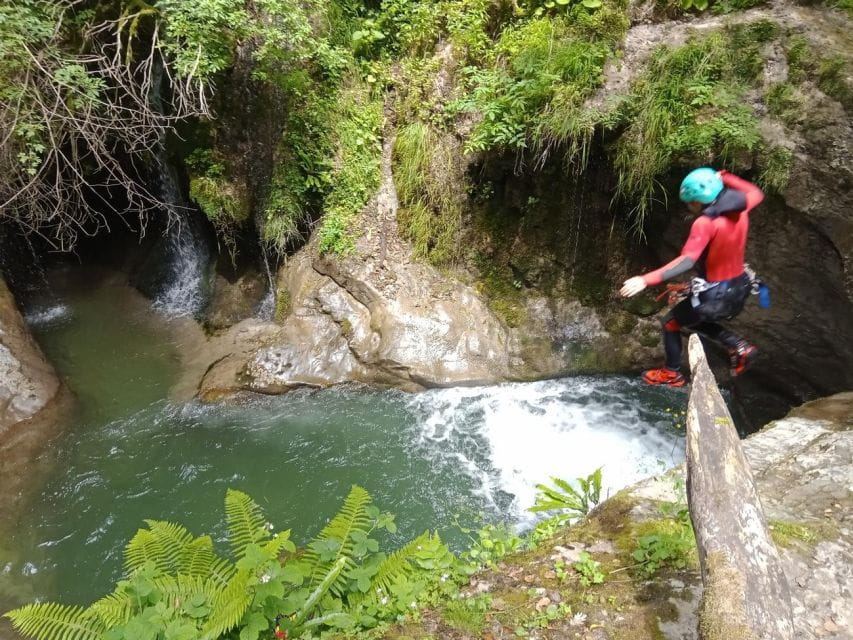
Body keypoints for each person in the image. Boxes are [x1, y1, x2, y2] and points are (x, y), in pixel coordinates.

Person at [619, 167, 764, 387]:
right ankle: (738, 346)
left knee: (670, 323)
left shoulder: (705, 223)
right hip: (739, 287)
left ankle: (672, 373)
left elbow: (687, 260)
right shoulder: (742, 209)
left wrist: (645, 280)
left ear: (698, 201)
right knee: (689, 317)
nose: (690, 207)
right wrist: (725, 177)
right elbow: (755, 192)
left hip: (716, 295)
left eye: (690, 203)